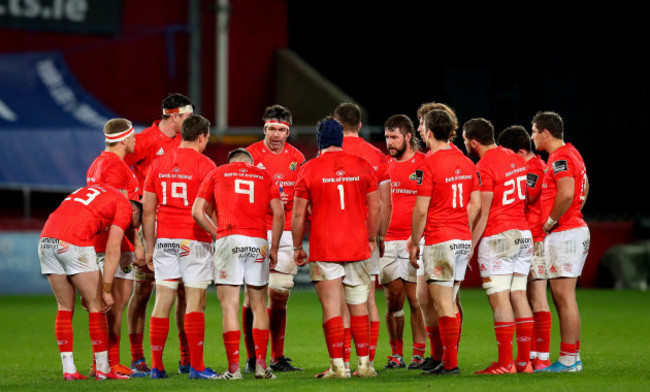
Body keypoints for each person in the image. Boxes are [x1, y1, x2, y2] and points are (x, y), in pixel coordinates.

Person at [292, 118, 380, 379]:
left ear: (319, 141)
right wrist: (372, 238)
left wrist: (297, 245)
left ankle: (338, 367)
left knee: (332, 307)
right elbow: (375, 207)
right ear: (341, 139)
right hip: (357, 245)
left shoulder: (309, 169)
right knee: (359, 305)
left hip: (324, 245)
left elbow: (298, 216)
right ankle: (364, 365)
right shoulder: (363, 165)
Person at [193, 148, 284, 380]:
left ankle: (234, 370)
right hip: (258, 240)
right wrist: (274, 249)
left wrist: (217, 234)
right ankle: (262, 367)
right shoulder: (265, 176)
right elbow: (279, 213)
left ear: (231, 161)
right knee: (259, 305)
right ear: (250, 163)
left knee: (230, 306)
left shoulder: (218, 172)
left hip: (229, 237)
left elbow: (197, 212)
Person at [141, 114, 218, 379]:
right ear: (202, 137)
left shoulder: (158, 163)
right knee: (195, 302)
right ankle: (196, 367)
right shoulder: (207, 165)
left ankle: (156, 367)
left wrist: (150, 249)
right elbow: (211, 208)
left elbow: (148, 212)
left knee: (162, 301)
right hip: (194, 240)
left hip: (165, 240)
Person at [38, 184, 142, 380]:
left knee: (64, 306)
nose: (133, 227)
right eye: (136, 223)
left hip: (46, 239)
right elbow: (112, 249)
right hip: (73, 240)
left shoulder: (94, 193)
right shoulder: (124, 205)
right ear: (134, 210)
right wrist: (106, 289)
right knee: (99, 304)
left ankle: (69, 370)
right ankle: (103, 369)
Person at [124, 93, 195, 376]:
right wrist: (134, 202)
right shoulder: (145, 141)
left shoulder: (185, 140)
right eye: (188, 117)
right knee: (143, 291)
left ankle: (186, 357)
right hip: (149, 228)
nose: (190, 123)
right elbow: (116, 167)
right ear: (175, 115)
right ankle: (137, 357)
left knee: (182, 291)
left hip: (179, 225)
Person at [408, 109, 481, 376]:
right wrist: (463, 224)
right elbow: (475, 203)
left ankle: (449, 364)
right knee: (447, 300)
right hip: (462, 238)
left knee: (442, 304)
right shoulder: (465, 162)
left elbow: (420, 211)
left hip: (440, 239)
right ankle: (445, 359)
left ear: (428, 132)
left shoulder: (430, 163)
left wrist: (415, 242)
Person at [463, 117, 535, 375]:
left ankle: (505, 364)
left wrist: (470, 245)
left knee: (500, 300)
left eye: (465, 142)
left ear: (473, 142)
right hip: (523, 234)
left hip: (498, 236)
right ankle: (524, 363)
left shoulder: (484, 165)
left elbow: (483, 211)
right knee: (519, 295)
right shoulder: (517, 159)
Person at [243, 104, 305, 372]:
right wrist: (265, 199)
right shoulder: (249, 155)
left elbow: (304, 195)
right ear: (264, 128)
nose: (276, 135)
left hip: (287, 231)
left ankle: (277, 357)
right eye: (271, 129)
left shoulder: (297, 157)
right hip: (256, 229)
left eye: (281, 130)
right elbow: (238, 194)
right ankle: (251, 357)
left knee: (279, 295)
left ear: (288, 131)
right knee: (252, 296)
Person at [530, 111, 589, 373]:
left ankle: (568, 360)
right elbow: (580, 192)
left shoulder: (560, 157)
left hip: (566, 233)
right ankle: (571, 357)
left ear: (546, 132)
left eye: (533, 131)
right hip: (572, 230)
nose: (532, 136)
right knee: (563, 297)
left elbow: (566, 193)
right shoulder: (572, 152)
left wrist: (550, 222)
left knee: (564, 297)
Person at [334, 103, 391, 371]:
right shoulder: (377, 155)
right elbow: (383, 201)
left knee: (343, 300)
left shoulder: (329, 153)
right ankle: (366, 362)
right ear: (359, 125)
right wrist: (380, 236)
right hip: (367, 233)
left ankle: (343, 362)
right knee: (367, 297)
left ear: (336, 124)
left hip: (337, 233)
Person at [86, 118, 144, 377]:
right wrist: (138, 243)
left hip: (99, 240)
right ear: (123, 139)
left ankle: (100, 362)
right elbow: (122, 212)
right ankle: (111, 362)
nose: (135, 142)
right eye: (133, 138)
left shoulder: (97, 164)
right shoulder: (116, 166)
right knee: (116, 304)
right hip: (115, 243)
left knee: (104, 305)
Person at [413, 101, 465, 371]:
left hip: (440, 233)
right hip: (445, 234)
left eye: (422, 124)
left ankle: (449, 357)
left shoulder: (442, 158)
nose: (419, 129)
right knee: (425, 297)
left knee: (447, 300)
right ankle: (438, 356)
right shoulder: (446, 158)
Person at [497, 125, 552, 370]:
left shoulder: (536, 168)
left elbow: (527, 196)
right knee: (523, 297)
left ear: (519, 152)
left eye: (507, 155)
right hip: (524, 238)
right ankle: (529, 356)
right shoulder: (525, 167)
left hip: (536, 240)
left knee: (537, 299)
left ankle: (542, 355)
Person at [380, 114, 427, 370]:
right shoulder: (385, 165)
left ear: (408, 137)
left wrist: (419, 237)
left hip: (414, 241)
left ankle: (418, 354)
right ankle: (396, 354)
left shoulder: (424, 163)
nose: (390, 142)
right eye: (387, 137)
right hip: (388, 241)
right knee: (393, 300)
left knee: (416, 299)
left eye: (394, 137)